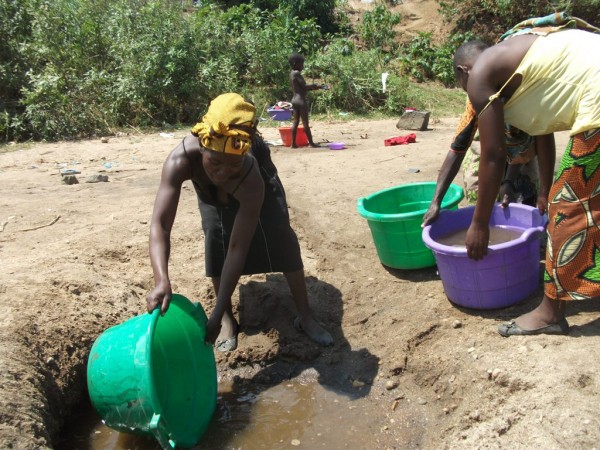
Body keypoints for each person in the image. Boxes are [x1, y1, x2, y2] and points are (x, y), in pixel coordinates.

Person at [146, 92, 333, 351]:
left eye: (232, 166)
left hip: (251, 181)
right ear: (202, 146)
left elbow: (238, 248)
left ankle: (306, 316)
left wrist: (233, 169)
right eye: (215, 163)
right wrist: (161, 280)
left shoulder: (250, 172)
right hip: (209, 184)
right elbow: (160, 225)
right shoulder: (181, 160)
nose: (222, 173)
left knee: (279, 233)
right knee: (216, 235)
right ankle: (226, 320)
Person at [450, 16, 600, 336]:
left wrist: (479, 223)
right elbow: (542, 132)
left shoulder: (479, 76)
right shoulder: (518, 55)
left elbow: (492, 155)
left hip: (597, 93)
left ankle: (551, 312)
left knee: (568, 207)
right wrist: (542, 189)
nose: (469, 97)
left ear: (464, 73)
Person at [289, 53, 327, 148]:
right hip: (301, 101)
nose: (303, 66)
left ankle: (293, 144)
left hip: (294, 100)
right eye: (301, 64)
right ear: (295, 63)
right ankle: (311, 143)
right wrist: (316, 86)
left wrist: (317, 87)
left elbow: (302, 88)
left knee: (295, 122)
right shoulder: (297, 74)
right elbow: (305, 87)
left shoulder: (291, 73)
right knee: (305, 123)